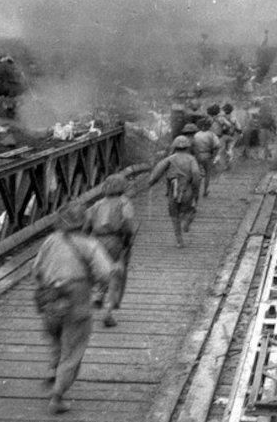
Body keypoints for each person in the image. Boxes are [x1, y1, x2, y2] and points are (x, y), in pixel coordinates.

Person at [32, 204, 114, 415]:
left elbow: (36, 270)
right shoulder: (89, 244)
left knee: (55, 336)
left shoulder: (50, 240)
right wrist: (98, 287)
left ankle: (54, 370)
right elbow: (105, 273)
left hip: (49, 296)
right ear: (84, 221)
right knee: (74, 345)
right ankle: (57, 397)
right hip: (76, 296)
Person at [84, 174, 136, 328]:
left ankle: (99, 293)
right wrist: (127, 241)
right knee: (116, 274)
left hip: (96, 240)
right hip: (116, 240)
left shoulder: (97, 204)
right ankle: (108, 312)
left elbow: (86, 226)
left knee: (99, 269)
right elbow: (127, 224)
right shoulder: (124, 203)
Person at [148, 136, 202, 247]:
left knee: (174, 216)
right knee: (189, 210)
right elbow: (196, 174)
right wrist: (196, 190)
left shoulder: (170, 159)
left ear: (175, 147)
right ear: (188, 147)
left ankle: (179, 241)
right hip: (187, 190)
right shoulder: (191, 159)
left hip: (172, 191)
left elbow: (158, 171)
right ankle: (186, 221)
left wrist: (152, 182)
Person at [192, 118, 221, 197]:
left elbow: (192, 146)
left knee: (197, 174)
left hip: (197, 156)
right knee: (207, 174)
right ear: (209, 126)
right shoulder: (211, 134)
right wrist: (214, 155)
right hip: (207, 156)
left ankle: (195, 191)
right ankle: (205, 191)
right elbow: (218, 146)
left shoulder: (196, 135)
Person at [219, 103, 242, 169]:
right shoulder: (233, 118)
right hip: (231, 136)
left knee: (222, 151)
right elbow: (238, 127)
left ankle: (224, 165)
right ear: (231, 110)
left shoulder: (221, 118)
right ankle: (229, 163)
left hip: (223, 136)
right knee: (229, 150)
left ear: (224, 110)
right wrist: (240, 133)